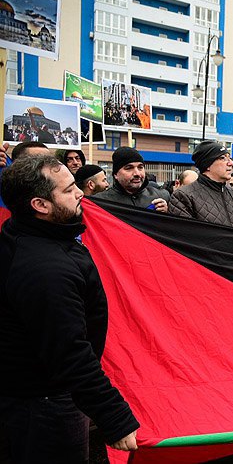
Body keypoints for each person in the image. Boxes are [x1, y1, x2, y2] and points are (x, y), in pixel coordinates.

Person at [0, 155, 139, 462]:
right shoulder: (43, 269)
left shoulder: (34, 236)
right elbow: (68, 352)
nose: (80, 194)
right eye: (69, 189)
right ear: (40, 205)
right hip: (45, 403)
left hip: (39, 395)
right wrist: (113, 416)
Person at [169, 140, 233, 231]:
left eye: (229, 158)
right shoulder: (184, 196)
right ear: (207, 164)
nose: (231, 163)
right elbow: (187, 236)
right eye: (223, 158)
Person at [95, 147, 169, 212]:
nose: (137, 173)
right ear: (116, 175)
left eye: (140, 167)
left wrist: (166, 215)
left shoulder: (161, 196)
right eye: (129, 168)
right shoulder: (100, 202)